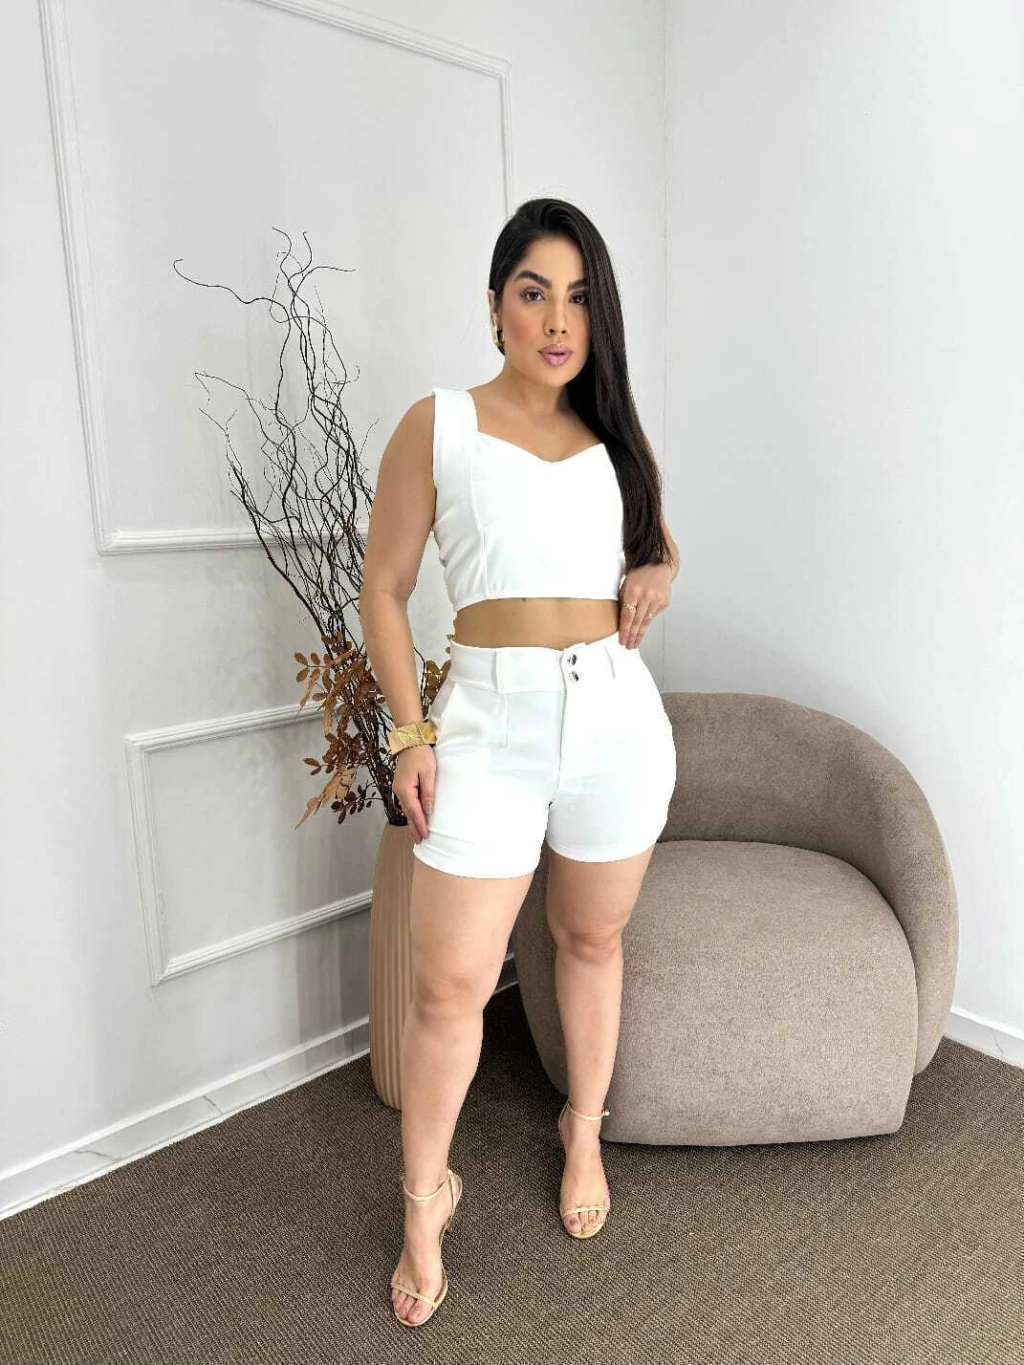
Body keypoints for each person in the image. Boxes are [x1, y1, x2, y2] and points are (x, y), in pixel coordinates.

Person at [359, 197, 679, 1328]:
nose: (557, 320)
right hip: (485, 726)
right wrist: (410, 731)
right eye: (534, 292)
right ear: (495, 304)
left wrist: (660, 573)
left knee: (590, 938)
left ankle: (581, 1130)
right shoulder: (438, 425)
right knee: (448, 985)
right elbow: (385, 589)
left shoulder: (614, 437)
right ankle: (423, 1200)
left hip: (613, 722)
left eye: (580, 298)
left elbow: (652, 546)